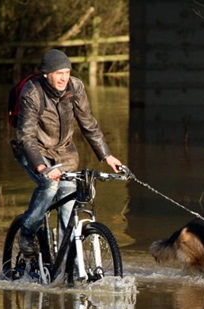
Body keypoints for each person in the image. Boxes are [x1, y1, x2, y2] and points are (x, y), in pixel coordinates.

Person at [13, 49, 123, 256]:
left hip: (64, 154)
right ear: (47, 74)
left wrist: (107, 156)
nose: (64, 77)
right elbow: (25, 136)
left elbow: (88, 124)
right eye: (58, 73)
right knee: (49, 185)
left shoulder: (76, 87)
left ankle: (65, 262)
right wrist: (42, 166)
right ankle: (27, 234)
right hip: (34, 152)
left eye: (67, 72)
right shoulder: (32, 92)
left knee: (70, 200)